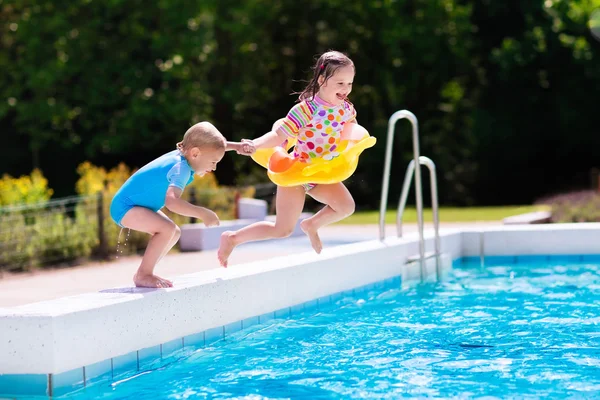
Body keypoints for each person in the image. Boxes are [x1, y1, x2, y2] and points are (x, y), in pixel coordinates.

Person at [218, 50, 360, 267]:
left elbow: (352, 131)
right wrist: (255, 144)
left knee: (346, 207)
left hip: (321, 173)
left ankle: (311, 225)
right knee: (282, 230)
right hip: (296, 172)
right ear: (322, 80)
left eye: (349, 83)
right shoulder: (306, 110)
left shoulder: (347, 109)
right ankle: (232, 238)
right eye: (340, 83)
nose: (346, 89)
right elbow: (278, 135)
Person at [110, 121, 254, 288]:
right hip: (126, 207)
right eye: (213, 162)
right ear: (195, 154)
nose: (214, 168)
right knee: (167, 229)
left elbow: (209, 146)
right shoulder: (181, 169)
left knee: (174, 232)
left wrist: (236, 147)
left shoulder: (185, 154)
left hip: (134, 205)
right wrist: (202, 213)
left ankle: (144, 271)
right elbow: (171, 202)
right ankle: (144, 274)